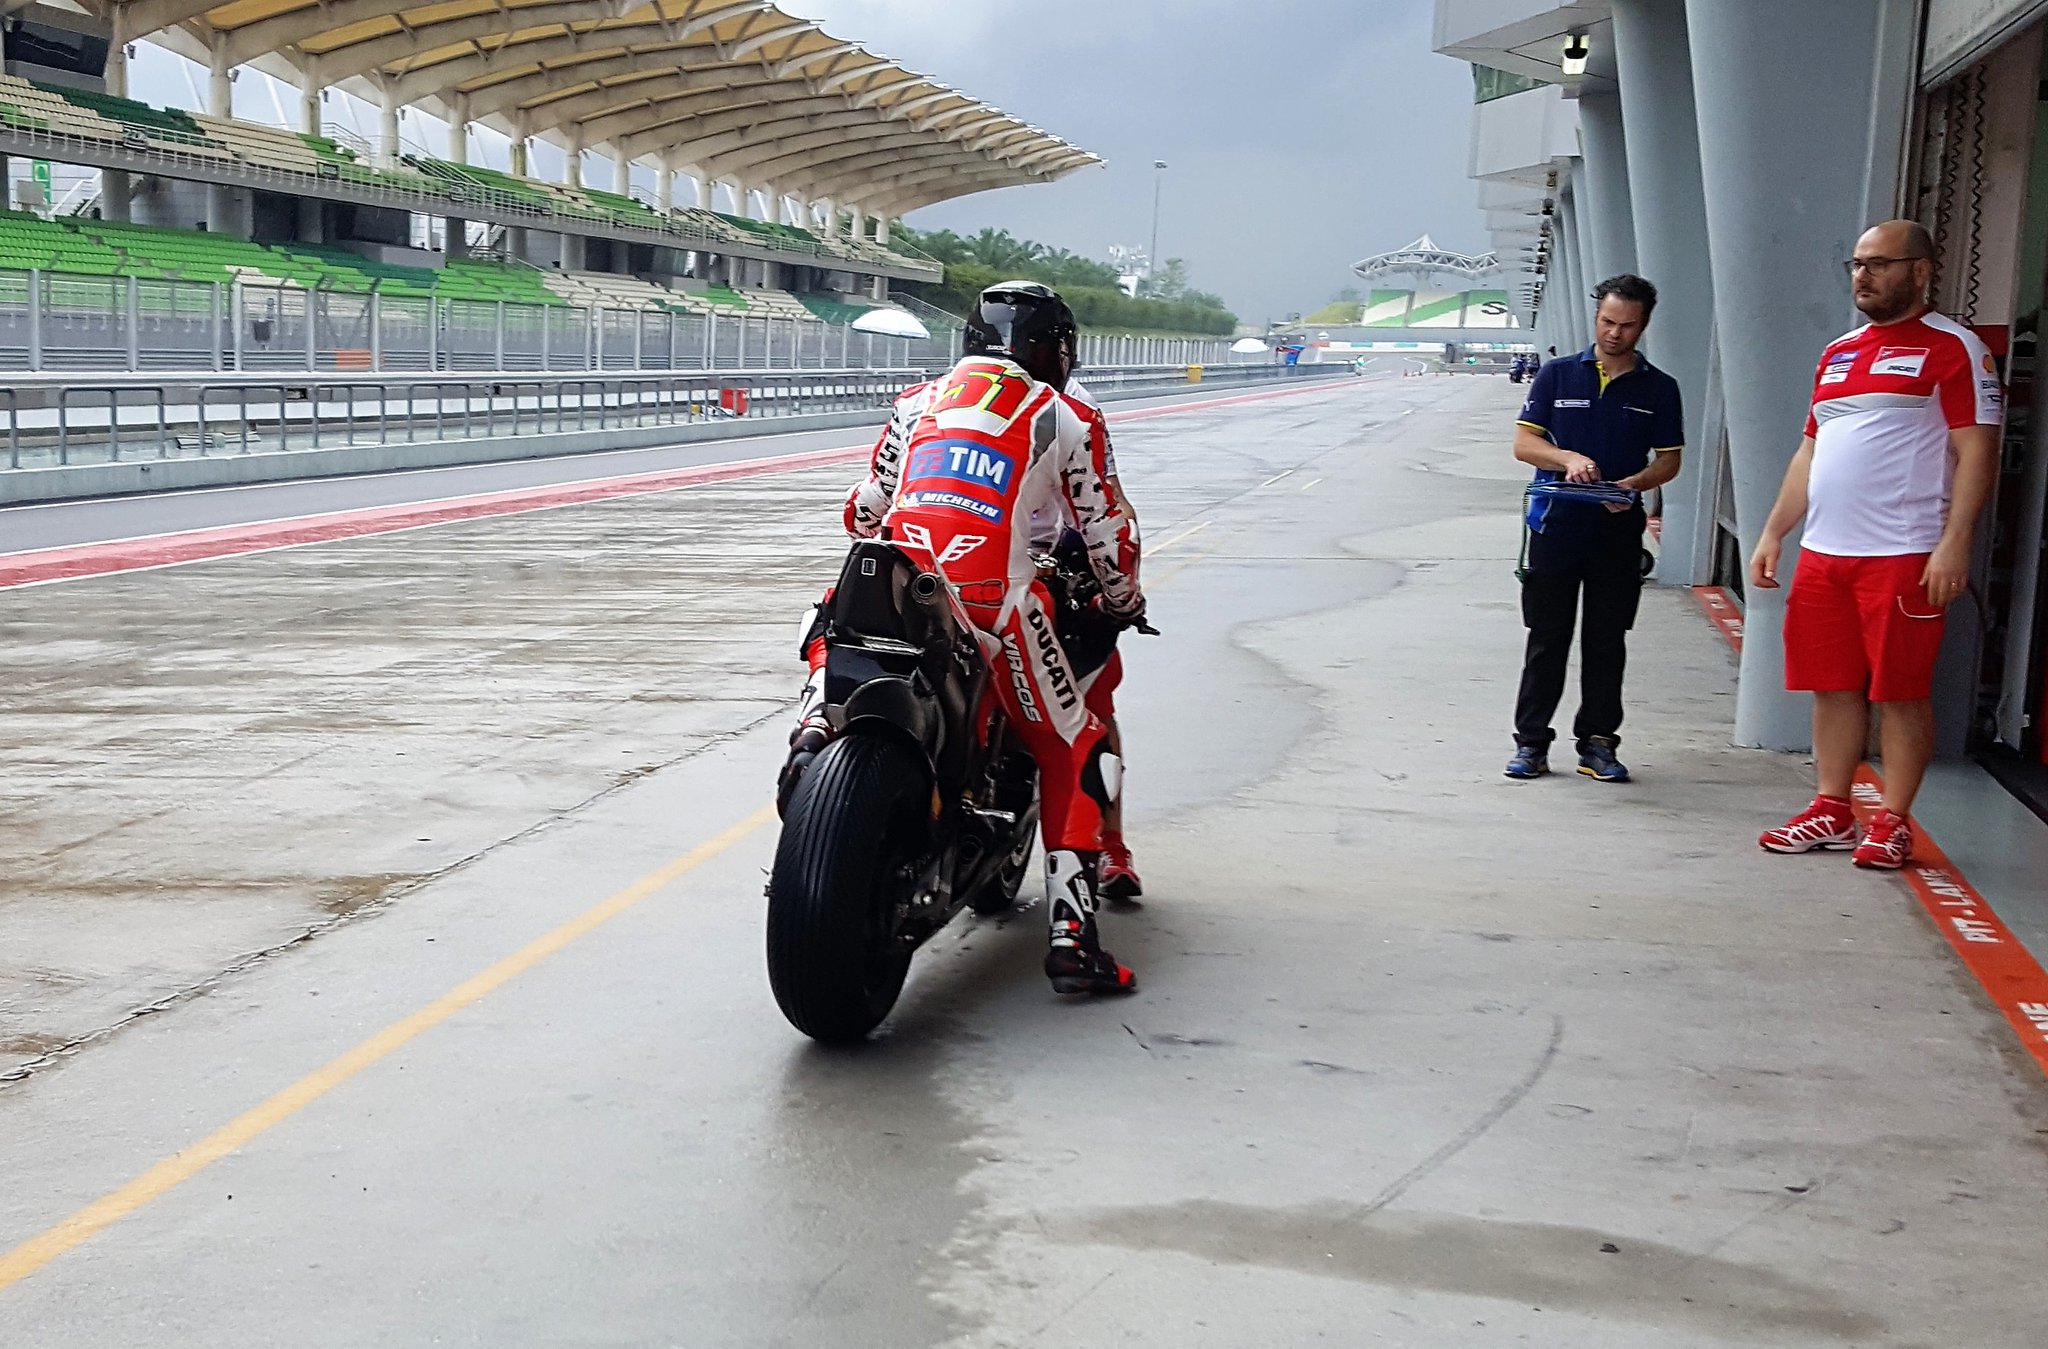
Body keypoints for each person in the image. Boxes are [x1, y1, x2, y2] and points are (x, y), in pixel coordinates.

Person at [801, 281, 1147, 995]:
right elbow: (1110, 533)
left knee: (827, 618)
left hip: (898, 583)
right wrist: (1124, 600)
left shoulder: (914, 403)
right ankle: (1074, 937)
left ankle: (810, 730)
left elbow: (863, 511)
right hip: (996, 603)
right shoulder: (1066, 415)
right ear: (1052, 351)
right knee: (1074, 741)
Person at [1752, 219, 2002, 869]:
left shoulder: (1956, 349)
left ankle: (1893, 821)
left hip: (1904, 553)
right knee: (1831, 685)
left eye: (1879, 264)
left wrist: (1955, 542)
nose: (1863, 276)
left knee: (1900, 691)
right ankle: (1832, 809)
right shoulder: (1838, 351)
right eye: (1857, 265)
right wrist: (1775, 531)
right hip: (1825, 554)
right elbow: (1810, 451)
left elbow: (1977, 450)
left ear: (1920, 272)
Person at [1505, 275, 1684, 783]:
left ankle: (1598, 743)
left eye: (1627, 325)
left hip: (1617, 531)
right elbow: (1524, 445)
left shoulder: (1659, 388)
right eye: (1607, 322)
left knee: (1607, 641)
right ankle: (1531, 744)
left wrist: (1634, 484)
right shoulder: (1557, 376)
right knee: (1547, 637)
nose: (1614, 334)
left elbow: (1669, 460)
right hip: (1556, 527)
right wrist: (1566, 459)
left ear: (1643, 326)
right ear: (1596, 317)